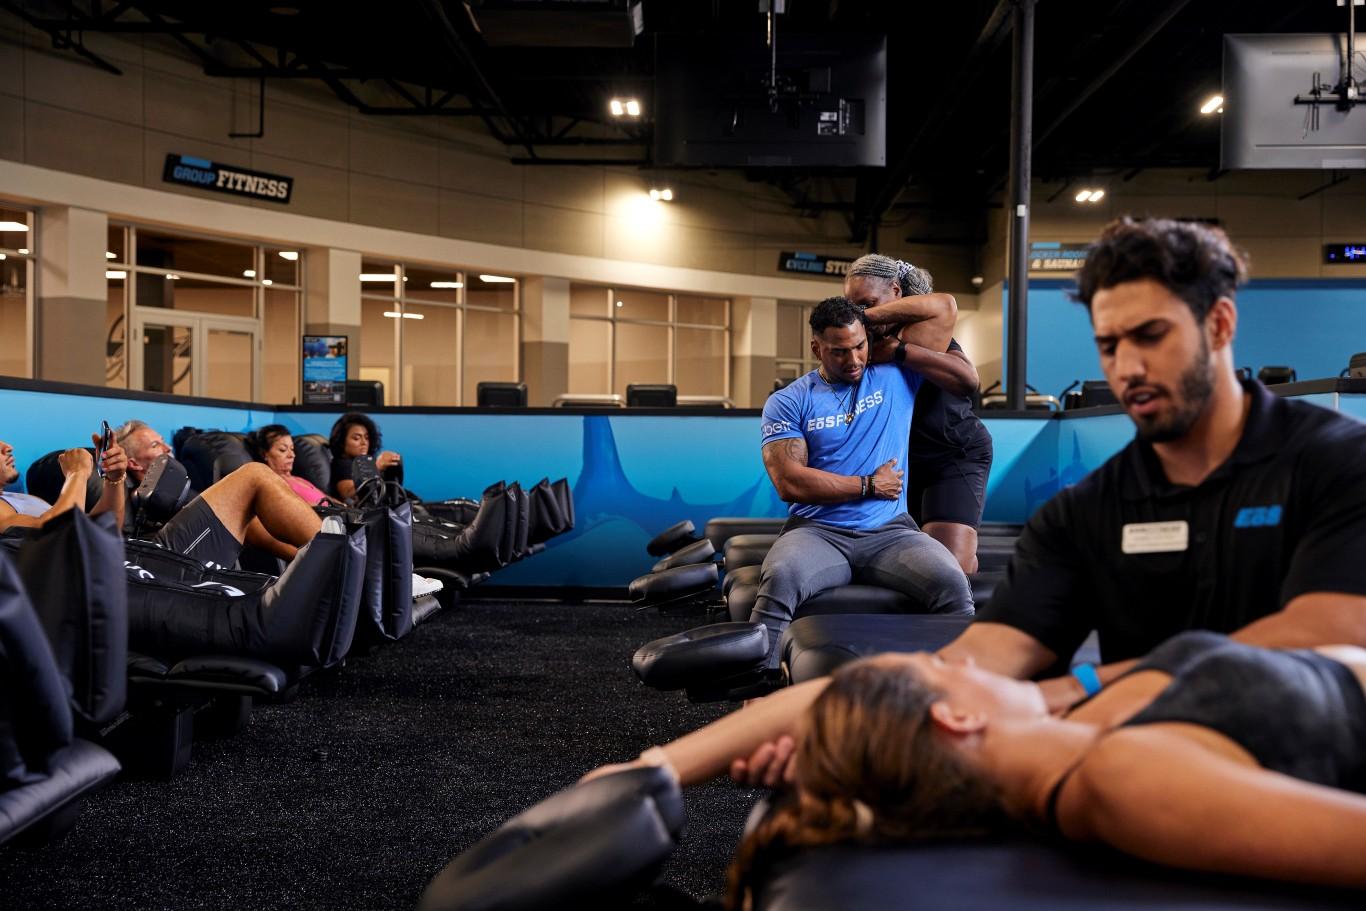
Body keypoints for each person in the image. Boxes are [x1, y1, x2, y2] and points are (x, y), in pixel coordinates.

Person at [731, 216, 1366, 783]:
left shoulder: (1334, 464)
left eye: (1152, 335)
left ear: (1220, 323)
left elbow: (1326, 642)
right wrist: (817, 722)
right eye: (1111, 345)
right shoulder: (1090, 509)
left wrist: (1077, 689)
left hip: (1313, 767)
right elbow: (977, 661)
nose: (1129, 369)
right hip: (1144, 764)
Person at [586, 632, 1366, 905]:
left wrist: (653, 765)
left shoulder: (1076, 729)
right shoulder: (1120, 777)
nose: (963, 658)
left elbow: (842, 698)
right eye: (941, 663)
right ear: (958, 717)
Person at [754, 295, 973, 667]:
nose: (854, 360)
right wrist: (869, 485)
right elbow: (790, 482)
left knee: (953, 584)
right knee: (780, 579)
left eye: (859, 345)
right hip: (817, 532)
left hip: (892, 532)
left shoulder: (895, 374)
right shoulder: (789, 400)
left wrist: (862, 318)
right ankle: (758, 693)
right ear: (816, 348)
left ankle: (964, 692)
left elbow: (944, 308)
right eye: (839, 351)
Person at [845, 255, 994, 574]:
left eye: (868, 304)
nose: (861, 314)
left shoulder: (928, 333)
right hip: (900, 465)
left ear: (896, 292)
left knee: (950, 568)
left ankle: (967, 562)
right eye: (852, 306)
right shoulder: (860, 344)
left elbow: (968, 380)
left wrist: (899, 352)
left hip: (952, 454)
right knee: (909, 566)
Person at [115, 419, 320, 564]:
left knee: (248, 504)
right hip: (161, 558)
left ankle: (321, 557)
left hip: (200, 542)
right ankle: (331, 557)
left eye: (163, 440)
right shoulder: (130, 496)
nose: (167, 448)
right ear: (133, 463)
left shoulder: (184, 489)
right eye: (155, 445)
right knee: (255, 475)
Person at [0, 432, 128, 531]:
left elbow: (105, 530)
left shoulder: (21, 499)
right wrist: (77, 473)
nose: (7, 447)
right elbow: (56, 533)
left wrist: (114, 479)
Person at [246, 424, 337, 507]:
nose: (292, 455)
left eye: (292, 449)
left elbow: (327, 499)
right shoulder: (273, 484)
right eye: (283, 450)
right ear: (264, 454)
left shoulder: (299, 479)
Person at [327, 412, 402, 501]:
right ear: (342, 442)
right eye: (356, 438)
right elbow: (348, 493)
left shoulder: (362, 463)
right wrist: (376, 467)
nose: (364, 442)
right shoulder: (342, 464)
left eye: (366, 438)